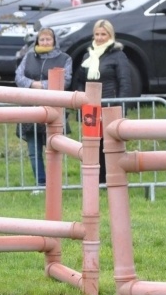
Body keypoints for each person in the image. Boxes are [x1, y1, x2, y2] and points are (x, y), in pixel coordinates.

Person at [75, 19, 132, 185]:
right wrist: (82, 103)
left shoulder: (118, 55)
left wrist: (121, 107)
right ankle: (96, 180)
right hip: (91, 109)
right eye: (97, 34)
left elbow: (125, 82)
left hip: (110, 108)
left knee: (110, 145)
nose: (99, 38)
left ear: (110, 35)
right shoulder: (88, 56)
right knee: (94, 144)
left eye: (103, 34)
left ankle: (112, 179)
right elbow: (80, 81)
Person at [15, 27, 72, 191]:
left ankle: (54, 185)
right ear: (37, 41)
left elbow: (66, 80)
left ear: (54, 41)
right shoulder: (28, 56)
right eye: (42, 39)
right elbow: (19, 76)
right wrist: (33, 84)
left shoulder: (65, 58)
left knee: (53, 150)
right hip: (30, 108)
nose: (45, 42)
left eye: (48, 39)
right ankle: (40, 183)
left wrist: (43, 86)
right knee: (34, 151)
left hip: (53, 109)